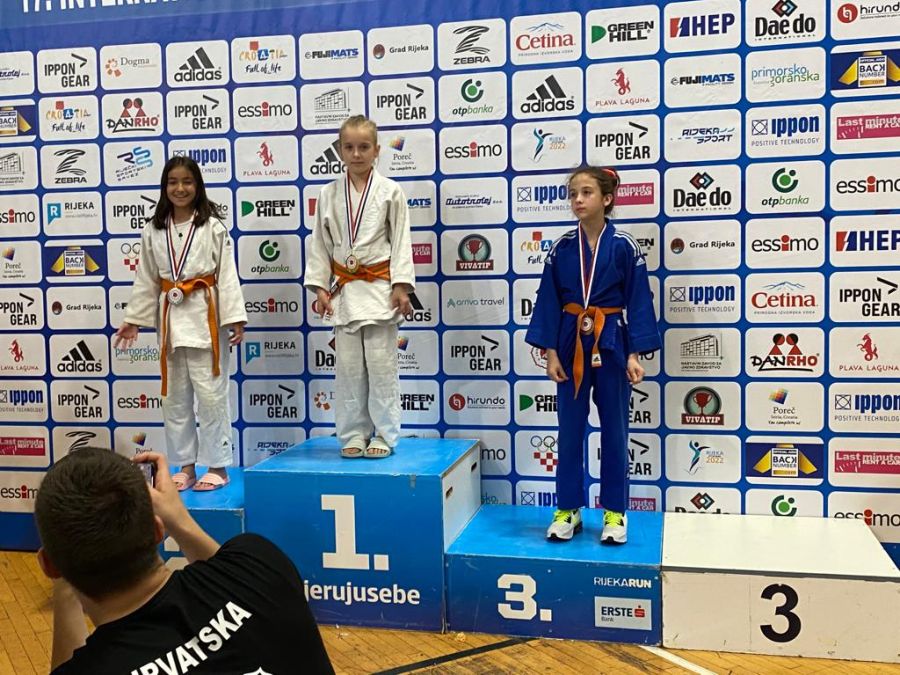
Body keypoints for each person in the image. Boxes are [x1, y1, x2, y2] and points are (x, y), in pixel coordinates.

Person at [35, 447, 334, 674]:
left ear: (50, 566)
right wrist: (178, 518)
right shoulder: (260, 562)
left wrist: (66, 573)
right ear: (158, 531)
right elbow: (229, 574)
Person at [525, 166, 661, 544]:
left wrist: (634, 354)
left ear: (607, 198)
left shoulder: (624, 246)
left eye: (586, 192)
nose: (578, 200)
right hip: (571, 340)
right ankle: (568, 508)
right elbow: (548, 301)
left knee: (615, 430)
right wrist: (551, 352)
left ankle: (615, 512)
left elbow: (638, 300)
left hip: (611, 339)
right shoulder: (562, 248)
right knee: (569, 430)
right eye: (573, 194)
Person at [114, 156, 246, 492]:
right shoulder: (154, 229)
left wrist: (234, 318)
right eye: (173, 182)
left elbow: (227, 275)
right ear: (164, 187)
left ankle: (217, 466)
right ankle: (185, 466)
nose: (180, 188)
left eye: (187, 181)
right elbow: (146, 278)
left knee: (212, 398)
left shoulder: (213, 227)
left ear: (198, 185)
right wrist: (134, 320)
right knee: (174, 400)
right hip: (170, 325)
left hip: (206, 320)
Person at [304, 115, 415, 459]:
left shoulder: (390, 191)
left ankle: (384, 433)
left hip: (380, 290)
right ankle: (353, 433)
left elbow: (401, 241)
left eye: (364, 147)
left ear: (377, 150)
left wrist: (401, 286)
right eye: (349, 147)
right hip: (345, 293)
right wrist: (319, 287)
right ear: (340, 150)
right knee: (349, 370)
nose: (356, 154)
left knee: (382, 368)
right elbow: (319, 244)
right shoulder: (328, 193)